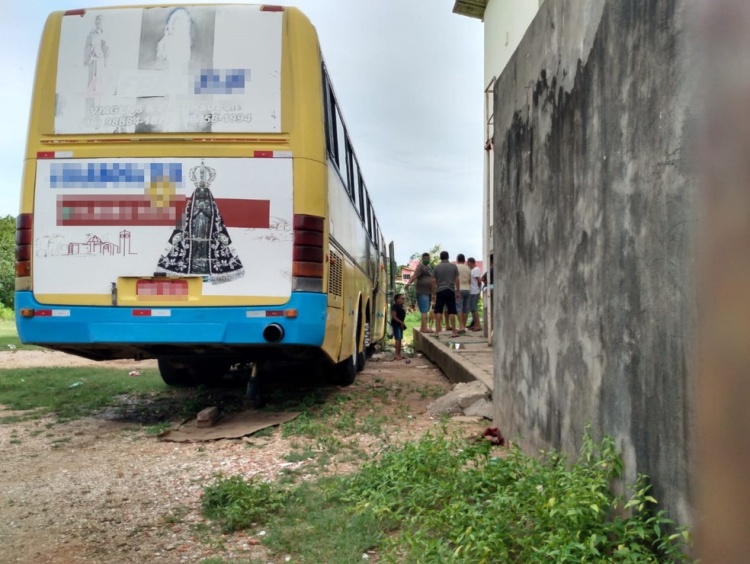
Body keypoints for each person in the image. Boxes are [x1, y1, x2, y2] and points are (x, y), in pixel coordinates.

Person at [157, 161, 245, 284]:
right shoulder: (191, 206)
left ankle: (206, 274)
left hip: (207, 231)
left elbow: (215, 218)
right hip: (194, 231)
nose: (201, 195)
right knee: (192, 252)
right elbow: (187, 218)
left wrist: (205, 211)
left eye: (204, 193)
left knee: (207, 251)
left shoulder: (211, 206)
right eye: (199, 193)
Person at [432, 251, 460, 338]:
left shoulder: (436, 267)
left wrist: (433, 293)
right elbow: (457, 279)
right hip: (450, 290)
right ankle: (454, 332)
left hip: (440, 290)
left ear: (440, 258)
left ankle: (436, 332)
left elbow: (433, 281)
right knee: (452, 311)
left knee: (438, 310)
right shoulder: (453, 266)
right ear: (448, 257)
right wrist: (457, 291)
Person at [404, 252, 434, 333]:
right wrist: (408, 283)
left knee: (426, 310)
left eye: (428, 258)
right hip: (422, 291)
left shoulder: (428, 267)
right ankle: (424, 328)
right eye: (425, 258)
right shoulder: (420, 266)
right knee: (424, 310)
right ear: (422, 259)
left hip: (428, 292)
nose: (427, 260)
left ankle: (423, 327)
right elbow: (414, 276)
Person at [455, 254, 472, 333]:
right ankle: (464, 326)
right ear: (464, 260)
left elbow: (455, 279)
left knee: (459, 307)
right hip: (467, 289)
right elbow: (470, 280)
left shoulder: (456, 267)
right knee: (466, 308)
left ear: (457, 260)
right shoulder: (468, 268)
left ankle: (461, 326)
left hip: (458, 289)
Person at [390, 293, 407, 360]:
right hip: (396, 324)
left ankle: (399, 354)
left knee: (400, 339)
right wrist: (401, 322)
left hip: (400, 325)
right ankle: (396, 354)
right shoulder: (395, 306)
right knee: (398, 338)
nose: (403, 300)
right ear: (397, 299)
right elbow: (394, 316)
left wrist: (402, 323)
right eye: (402, 298)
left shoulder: (402, 306)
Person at [467, 257, 482, 331]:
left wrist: (479, 289)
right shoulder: (472, 270)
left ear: (471, 262)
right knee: (472, 309)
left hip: (474, 291)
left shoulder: (476, 270)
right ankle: (475, 324)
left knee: (474, 309)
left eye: (468, 263)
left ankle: (478, 325)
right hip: (472, 291)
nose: (467, 264)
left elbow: (479, 281)